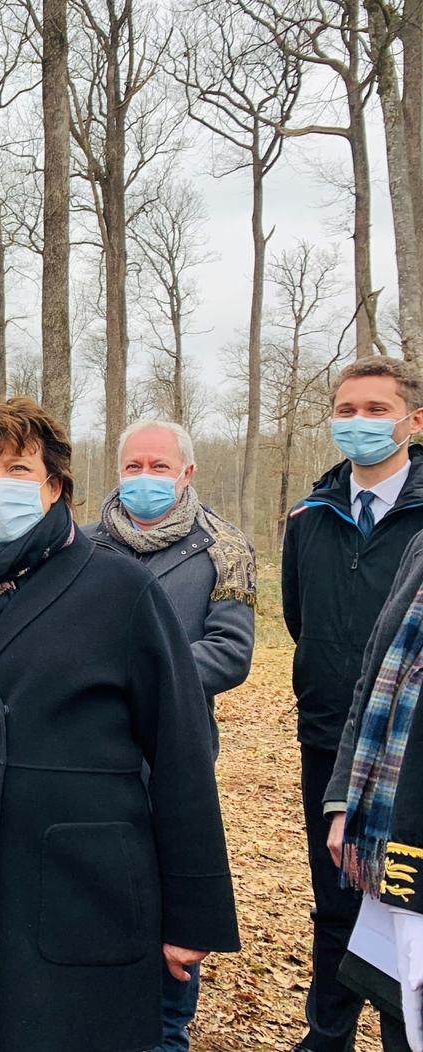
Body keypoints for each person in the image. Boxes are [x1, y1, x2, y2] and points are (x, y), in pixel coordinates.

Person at [0, 397, 239, 1052]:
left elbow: (180, 754)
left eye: (16, 469)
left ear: (54, 485)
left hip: (82, 885)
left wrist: (193, 911)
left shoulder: (121, 591)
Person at [90, 419, 257, 1052]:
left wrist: (143, 671)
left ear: (186, 473)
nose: (145, 478)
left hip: (174, 755)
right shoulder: (84, 543)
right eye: (134, 467)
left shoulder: (224, 549)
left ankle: (168, 1027)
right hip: (90, 753)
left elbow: (231, 652)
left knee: (173, 898)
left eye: (159, 467)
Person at [282, 356, 423, 1052]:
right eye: (347, 410)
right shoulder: (308, 518)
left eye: (376, 409)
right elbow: (297, 619)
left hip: (411, 752)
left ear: (413, 420)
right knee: (334, 896)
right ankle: (326, 1031)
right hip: (328, 738)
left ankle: (406, 1028)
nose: (360, 423)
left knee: (406, 898)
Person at [316, 529, 423, 1052]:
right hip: (396, 834)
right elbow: (375, 677)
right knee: (401, 1004)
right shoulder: (421, 547)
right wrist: (346, 805)